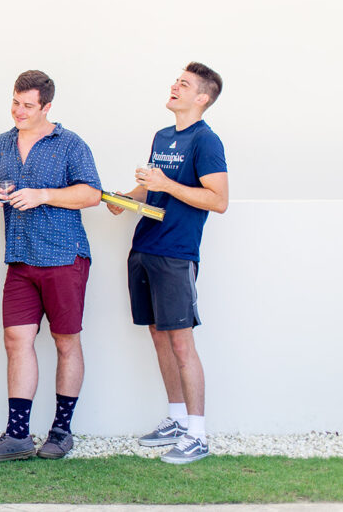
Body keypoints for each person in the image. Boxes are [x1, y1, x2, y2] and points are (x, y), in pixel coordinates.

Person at [0, 69, 101, 463]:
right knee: (16, 342)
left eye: (28, 105)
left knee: (66, 342)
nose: (18, 111)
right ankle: (17, 436)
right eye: (15, 102)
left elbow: (91, 193)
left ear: (47, 106)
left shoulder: (70, 143)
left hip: (64, 256)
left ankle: (61, 431)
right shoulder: (1, 144)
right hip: (20, 259)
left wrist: (44, 194)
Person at [107, 62, 228, 465]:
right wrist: (122, 200)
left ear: (202, 98)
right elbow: (150, 186)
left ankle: (198, 434)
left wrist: (167, 185)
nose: (174, 87)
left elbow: (218, 200)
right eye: (176, 81)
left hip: (176, 254)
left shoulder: (206, 141)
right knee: (159, 335)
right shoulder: (163, 135)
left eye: (184, 84)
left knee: (181, 341)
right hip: (144, 247)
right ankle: (176, 419)